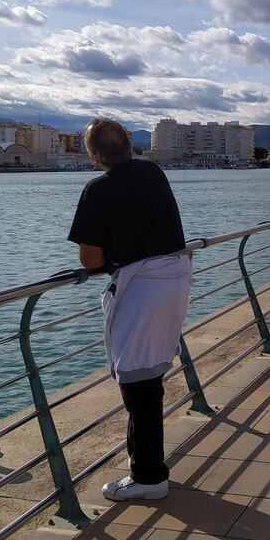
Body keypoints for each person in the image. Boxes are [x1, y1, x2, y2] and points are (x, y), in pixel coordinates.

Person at [68, 118, 191, 502]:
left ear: (92, 157)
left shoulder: (97, 189)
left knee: (137, 385)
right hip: (175, 278)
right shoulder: (153, 172)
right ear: (131, 147)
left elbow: (89, 260)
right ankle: (146, 467)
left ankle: (150, 476)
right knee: (148, 379)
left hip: (141, 290)